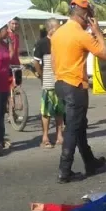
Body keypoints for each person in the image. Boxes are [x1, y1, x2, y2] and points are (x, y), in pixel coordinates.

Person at [51, 0, 106, 183]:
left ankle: (90, 161)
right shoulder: (81, 34)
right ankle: (64, 170)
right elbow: (105, 54)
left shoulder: (58, 33)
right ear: (84, 14)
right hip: (75, 86)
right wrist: (98, 31)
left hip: (60, 83)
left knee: (79, 126)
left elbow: (53, 61)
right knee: (73, 129)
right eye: (89, 14)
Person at [32, 19, 65, 148]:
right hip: (48, 81)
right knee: (46, 111)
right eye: (58, 28)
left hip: (61, 80)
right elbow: (36, 62)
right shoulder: (42, 43)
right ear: (51, 29)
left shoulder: (61, 42)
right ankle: (45, 137)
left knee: (60, 110)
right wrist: (41, 75)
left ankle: (59, 135)